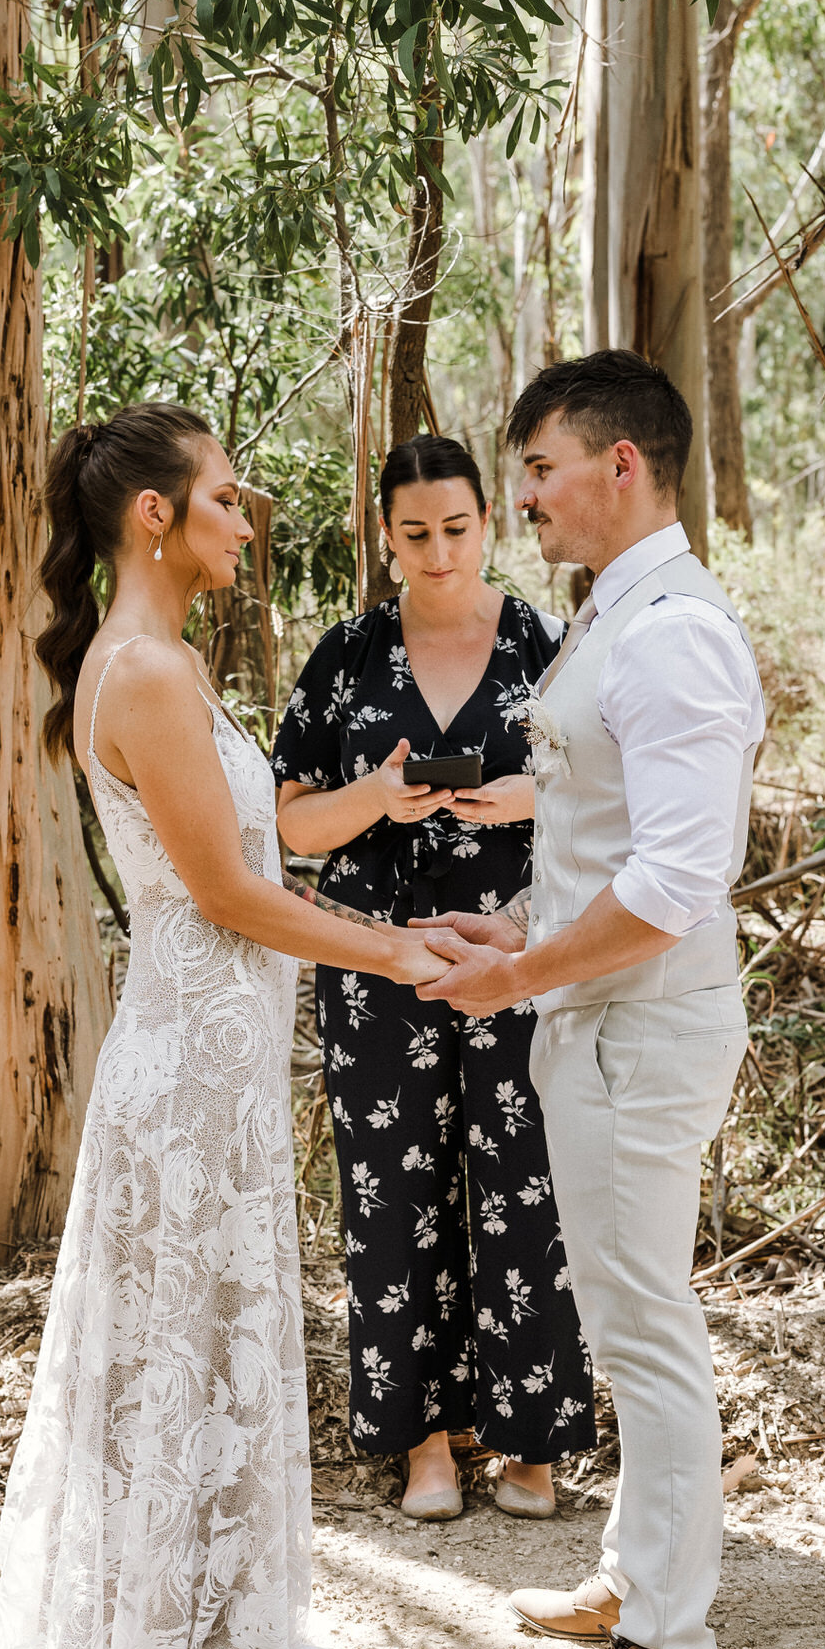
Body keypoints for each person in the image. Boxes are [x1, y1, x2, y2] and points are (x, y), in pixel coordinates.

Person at [0, 405, 444, 1649]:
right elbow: (226, 893)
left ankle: (193, 1613)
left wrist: (378, 796)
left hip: (220, 1054)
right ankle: (151, 1635)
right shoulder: (142, 671)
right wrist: (392, 950)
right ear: (155, 515)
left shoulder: (165, 663)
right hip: (189, 1066)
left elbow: (260, 837)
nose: (246, 519)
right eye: (225, 497)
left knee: (204, 1339)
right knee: (177, 1347)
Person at [413, 352, 765, 1649]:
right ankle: (635, 1574)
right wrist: (513, 937)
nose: (529, 500)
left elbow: (680, 881)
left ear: (623, 465)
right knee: (629, 1315)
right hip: (593, 1012)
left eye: (545, 470)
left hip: (637, 1024)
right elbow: (602, 841)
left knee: (646, 1330)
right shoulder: (620, 612)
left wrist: (524, 980)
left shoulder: (675, 629)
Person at [273, 435, 596, 1521]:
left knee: (525, 1189)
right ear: (384, 535)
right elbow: (289, 820)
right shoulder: (348, 654)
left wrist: (525, 802)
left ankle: (531, 1441)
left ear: (489, 523)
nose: (438, 551)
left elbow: (616, 803)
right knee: (392, 1198)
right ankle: (423, 1444)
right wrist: (378, 797)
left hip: (519, 953)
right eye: (414, 534)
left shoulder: (551, 646)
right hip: (378, 963)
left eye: (457, 529)